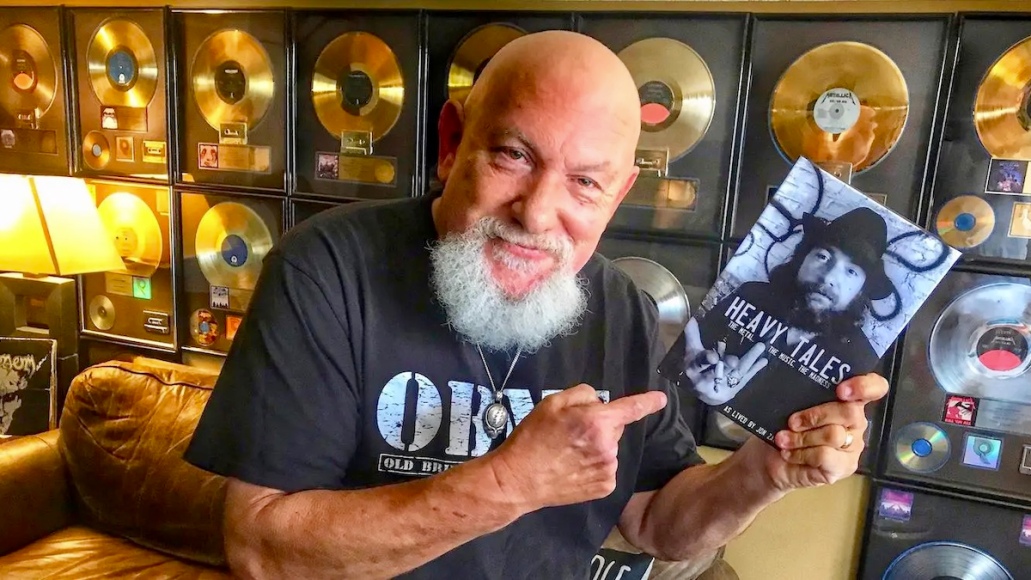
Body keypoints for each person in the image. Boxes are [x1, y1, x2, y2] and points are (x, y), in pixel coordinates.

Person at [183, 30, 888, 579]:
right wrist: (506, 484)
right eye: (513, 155)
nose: (537, 213)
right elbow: (263, 551)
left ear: (617, 195)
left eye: (585, 182)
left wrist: (763, 471)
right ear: (452, 144)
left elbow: (654, 523)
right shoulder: (324, 269)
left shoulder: (621, 307)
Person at [666, 206, 892, 426]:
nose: (828, 278)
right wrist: (687, 371)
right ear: (802, 257)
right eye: (823, 257)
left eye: (851, 271)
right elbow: (677, 362)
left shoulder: (859, 358)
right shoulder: (751, 294)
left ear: (861, 290)